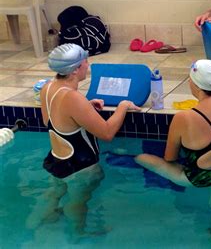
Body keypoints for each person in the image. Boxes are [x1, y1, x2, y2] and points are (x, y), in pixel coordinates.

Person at [26, 43, 140, 240]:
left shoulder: (48, 87)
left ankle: (40, 219)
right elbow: (106, 133)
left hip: (56, 160)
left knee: (56, 193)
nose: (88, 65)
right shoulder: (72, 98)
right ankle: (78, 234)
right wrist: (122, 106)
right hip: (80, 168)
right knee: (78, 202)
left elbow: (55, 120)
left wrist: (85, 108)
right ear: (75, 70)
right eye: (85, 62)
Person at [135, 59, 211, 241]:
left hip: (197, 178)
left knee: (143, 158)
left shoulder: (184, 118)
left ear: (194, 84)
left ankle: (127, 157)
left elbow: (170, 157)